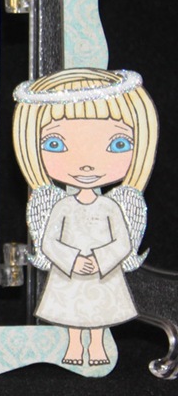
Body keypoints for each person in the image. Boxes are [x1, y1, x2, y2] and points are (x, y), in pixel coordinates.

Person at [12, 68, 158, 366]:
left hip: (102, 271)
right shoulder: (61, 207)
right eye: (55, 144)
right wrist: (73, 260)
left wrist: (101, 259)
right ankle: (75, 345)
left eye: (118, 144)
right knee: (72, 311)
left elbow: (122, 242)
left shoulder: (112, 207)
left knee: (99, 310)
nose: (87, 164)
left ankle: (99, 345)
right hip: (71, 271)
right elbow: (49, 241)